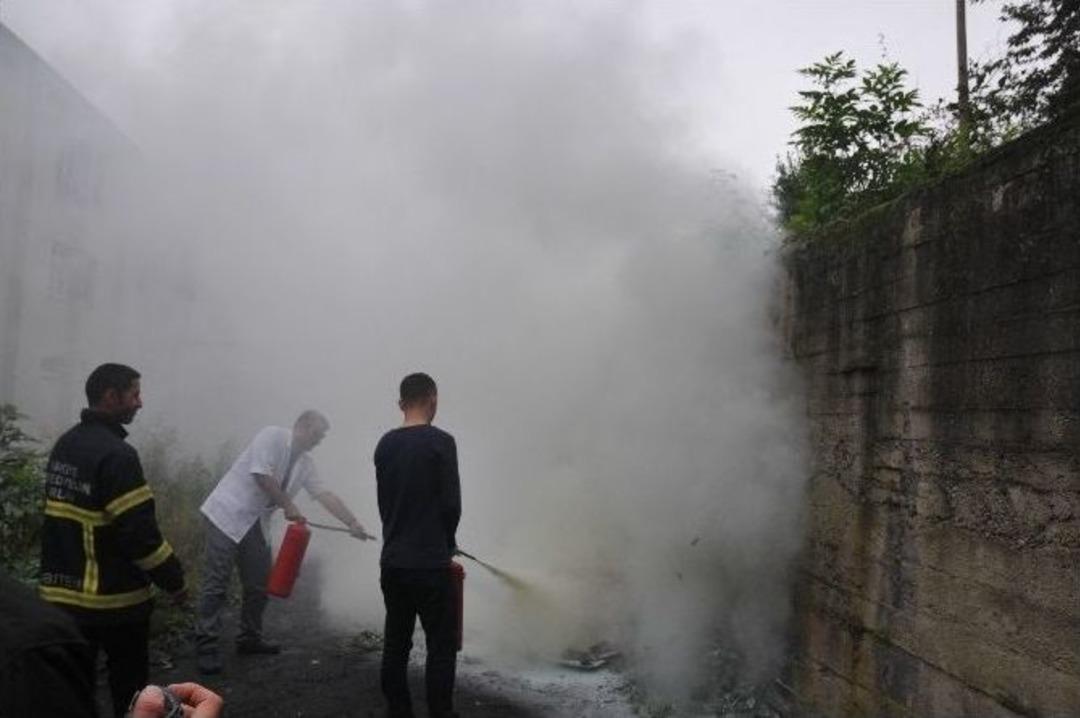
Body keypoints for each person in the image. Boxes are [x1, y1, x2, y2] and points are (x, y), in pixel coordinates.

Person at [39, 363, 187, 718]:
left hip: (62, 601)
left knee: (74, 688)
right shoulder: (118, 456)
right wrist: (175, 581)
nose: (140, 403)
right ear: (110, 396)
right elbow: (140, 536)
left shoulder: (66, 445)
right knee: (131, 692)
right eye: (134, 394)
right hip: (114, 602)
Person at [195, 410, 372, 675]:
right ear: (301, 425)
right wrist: (288, 504)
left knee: (258, 584)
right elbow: (261, 476)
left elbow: (324, 494)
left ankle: (249, 639)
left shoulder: (306, 464)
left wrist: (352, 523)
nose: (318, 441)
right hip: (227, 514)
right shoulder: (272, 436)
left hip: (256, 523)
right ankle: (206, 645)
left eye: (322, 438)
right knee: (216, 583)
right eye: (316, 434)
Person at [375, 373, 462, 718]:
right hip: (430, 565)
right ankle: (441, 713)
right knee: (440, 647)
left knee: (396, 643)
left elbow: (386, 505)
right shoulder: (442, 442)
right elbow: (451, 505)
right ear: (433, 399)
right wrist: (448, 541)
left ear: (401, 404)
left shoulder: (384, 445)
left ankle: (399, 711)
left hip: (393, 563)